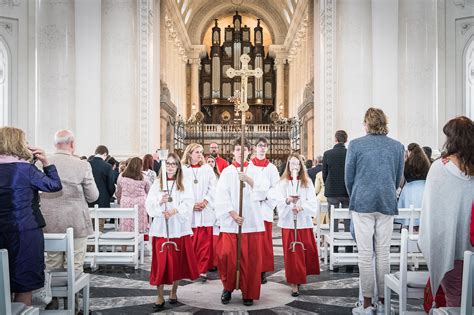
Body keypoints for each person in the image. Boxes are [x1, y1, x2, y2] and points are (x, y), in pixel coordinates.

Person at [345, 107, 404, 314]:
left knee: (365, 254)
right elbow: (398, 178)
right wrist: (387, 189)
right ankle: (383, 302)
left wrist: (357, 193)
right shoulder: (397, 146)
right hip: (386, 202)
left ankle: (367, 304)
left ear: (366, 123)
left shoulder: (355, 145)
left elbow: (348, 177)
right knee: (383, 254)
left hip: (362, 202)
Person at [0, 126, 62, 306]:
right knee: (23, 284)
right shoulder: (25, 169)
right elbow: (54, 185)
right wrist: (46, 163)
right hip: (24, 232)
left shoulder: (25, 168)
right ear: (18, 143)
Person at [40, 130, 99, 310]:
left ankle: (52, 302)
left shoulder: (41, 162)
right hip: (76, 223)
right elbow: (93, 196)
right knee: (74, 265)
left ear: (55, 144)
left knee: (51, 263)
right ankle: (72, 306)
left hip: (49, 223)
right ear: (72, 144)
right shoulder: (81, 165)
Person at [419, 116, 474, 307]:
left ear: (452, 140)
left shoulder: (439, 168)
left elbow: (431, 214)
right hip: (472, 248)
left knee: (455, 301)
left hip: (450, 251)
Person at [214, 138, 265, 306]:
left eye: (243, 149)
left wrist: (249, 180)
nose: (240, 152)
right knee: (227, 255)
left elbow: (264, 192)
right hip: (231, 222)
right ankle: (227, 287)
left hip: (251, 223)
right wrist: (233, 213)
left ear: (249, 151)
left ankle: (247, 291)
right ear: (233, 152)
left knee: (249, 259)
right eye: (237, 149)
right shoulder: (227, 172)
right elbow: (221, 195)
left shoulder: (256, 170)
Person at [146, 152, 198, 312]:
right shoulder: (157, 184)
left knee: (177, 263)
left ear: (178, 167)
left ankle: (174, 291)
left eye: (173, 164)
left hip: (178, 228)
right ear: (164, 165)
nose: (170, 167)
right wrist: (159, 203)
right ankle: (159, 295)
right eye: (168, 164)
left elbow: (189, 202)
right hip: (162, 229)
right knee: (160, 264)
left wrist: (174, 210)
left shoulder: (183, 183)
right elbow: (149, 204)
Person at [270, 152, 320, 297]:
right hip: (289, 224)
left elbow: (312, 201)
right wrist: (287, 201)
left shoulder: (307, 182)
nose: (295, 166)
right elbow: (278, 200)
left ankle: (300, 277)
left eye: (297, 164)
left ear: (301, 166)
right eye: (292, 163)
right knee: (292, 254)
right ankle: (294, 283)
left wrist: (302, 205)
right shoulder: (283, 182)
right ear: (288, 165)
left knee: (303, 251)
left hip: (303, 222)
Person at [181, 143, 217, 281]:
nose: (200, 154)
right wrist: (191, 205)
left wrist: (206, 201)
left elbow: (213, 187)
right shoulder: (183, 170)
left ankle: (202, 270)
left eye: (201, 152)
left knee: (204, 243)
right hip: (190, 211)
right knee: (191, 243)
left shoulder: (207, 169)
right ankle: (191, 268)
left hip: (205, 210)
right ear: (189, 153)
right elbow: (180, 189)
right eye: (197, 152)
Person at [249, 137, 280, 284]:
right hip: (252, 208)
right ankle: (252, 268)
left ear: (267, 148)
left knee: (265, 242)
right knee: (252, 242)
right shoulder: (248, 166)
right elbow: (246, 187)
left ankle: (263, 270)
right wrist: (258, 195)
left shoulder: (272, 168)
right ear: (255, 148)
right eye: (259, 145)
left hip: (265, 208)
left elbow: (276, 188)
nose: (262, 148)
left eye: (264, 146)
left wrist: (265, 197)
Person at [322, 130, 352, 263]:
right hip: (346, 191)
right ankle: (348, 251)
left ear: (335, 139)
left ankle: (334, 251)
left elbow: (324, 174)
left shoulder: (328, 154)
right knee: (347, 222)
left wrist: (328, 184)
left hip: (332, 190)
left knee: (333, 221)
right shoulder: (349, 153)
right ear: (346, 140)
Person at [396, 144, 431, 227]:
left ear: (410, 151)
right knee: (422, 212)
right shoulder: (426, 163)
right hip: (423, 188)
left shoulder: (407, 163)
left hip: (410, 189)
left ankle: (409, 229)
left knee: (409, 214)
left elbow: (402, 179)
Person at [117, 157, 151, 235]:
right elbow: (149, 191)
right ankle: (139, 245)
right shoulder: (144, 177)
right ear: (140, 166)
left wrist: (119, 200)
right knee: (140, 226)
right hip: (140, 204)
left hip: (126, 203)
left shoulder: (121, 176)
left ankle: (124, 247)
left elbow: (119, 191)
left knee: (125, 227)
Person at [88, 145, 116, 210]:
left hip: (89, 200)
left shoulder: (87, 164)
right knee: (101, 220)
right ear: (105, 154)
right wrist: (108, 195)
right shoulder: (108, 166)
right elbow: (110, 186)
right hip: (103, 201)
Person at [206, 155, 221, 271]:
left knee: (216, 236)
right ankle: (208, 261)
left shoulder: (219, 176)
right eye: (208, 161)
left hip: (216, 206)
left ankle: (216, 261)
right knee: (207, 238)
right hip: (207, 207)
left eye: (212, 161)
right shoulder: (203, 175)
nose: (210, 163)